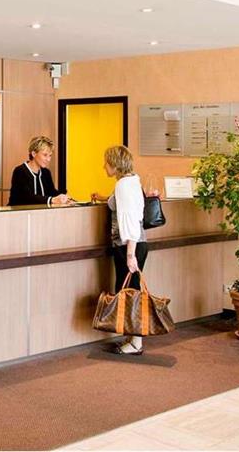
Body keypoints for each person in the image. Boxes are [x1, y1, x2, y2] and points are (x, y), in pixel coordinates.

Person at [92, 145, 148, 355]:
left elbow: (130, 221)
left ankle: (136, 343)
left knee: (129, 294)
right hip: (136, 244)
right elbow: (124, 206)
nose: (104, 166)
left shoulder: (123, 186)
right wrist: (103, 198)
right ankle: (133, 338)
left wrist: (130, 255)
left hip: (129, 246)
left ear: (115, 164)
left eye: (106, 162)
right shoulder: (132, 181)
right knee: (130, 292)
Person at [8, 136, 70, 206]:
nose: (48, 159)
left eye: (50, 155)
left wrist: (64, 198)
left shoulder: (46, 172)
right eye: (45, 155)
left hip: (40, 212)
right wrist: (51, 200)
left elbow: (52, 192)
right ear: (34, 154)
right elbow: (26, 197)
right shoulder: (20, 171)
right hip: (19, 212)